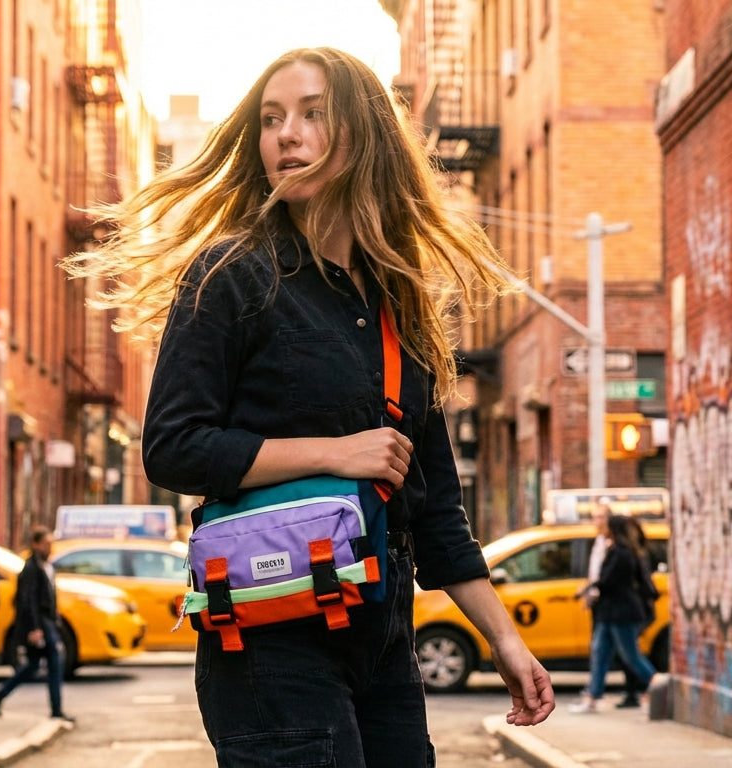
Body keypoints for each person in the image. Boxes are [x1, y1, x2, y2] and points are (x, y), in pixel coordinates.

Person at [67, 47, 553, 766]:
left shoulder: (397, 301)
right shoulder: (232, 274)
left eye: (312, 114)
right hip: (271, 635)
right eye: (271, 119)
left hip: (384, 634)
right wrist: (335, 454)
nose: (286, 135)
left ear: (364, 135)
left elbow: (435, 508)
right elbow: (172, 447)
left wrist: (505, 639)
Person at [571, 514, 658, 714]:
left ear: (613, 529)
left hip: (622, 613)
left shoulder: (622, 553)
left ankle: (659, 684)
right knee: (600, 653)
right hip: (609, 612)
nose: (602, 528)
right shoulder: (616, 550)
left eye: (606, 526)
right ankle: (592, 697)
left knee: (631, 656)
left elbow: (608, 581)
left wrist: (588, 588)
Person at [0, 527, 69, 723]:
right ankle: (56, 710)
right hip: (40, 624)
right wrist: (34, 628)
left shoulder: (46, 566)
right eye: (46, 544)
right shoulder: (30, 568)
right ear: (35, 544)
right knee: (54, 664)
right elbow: (27, 600)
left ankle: (0, 694)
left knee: (33, 666)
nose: (49, 548)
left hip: (48, 621)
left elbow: (49, 595)